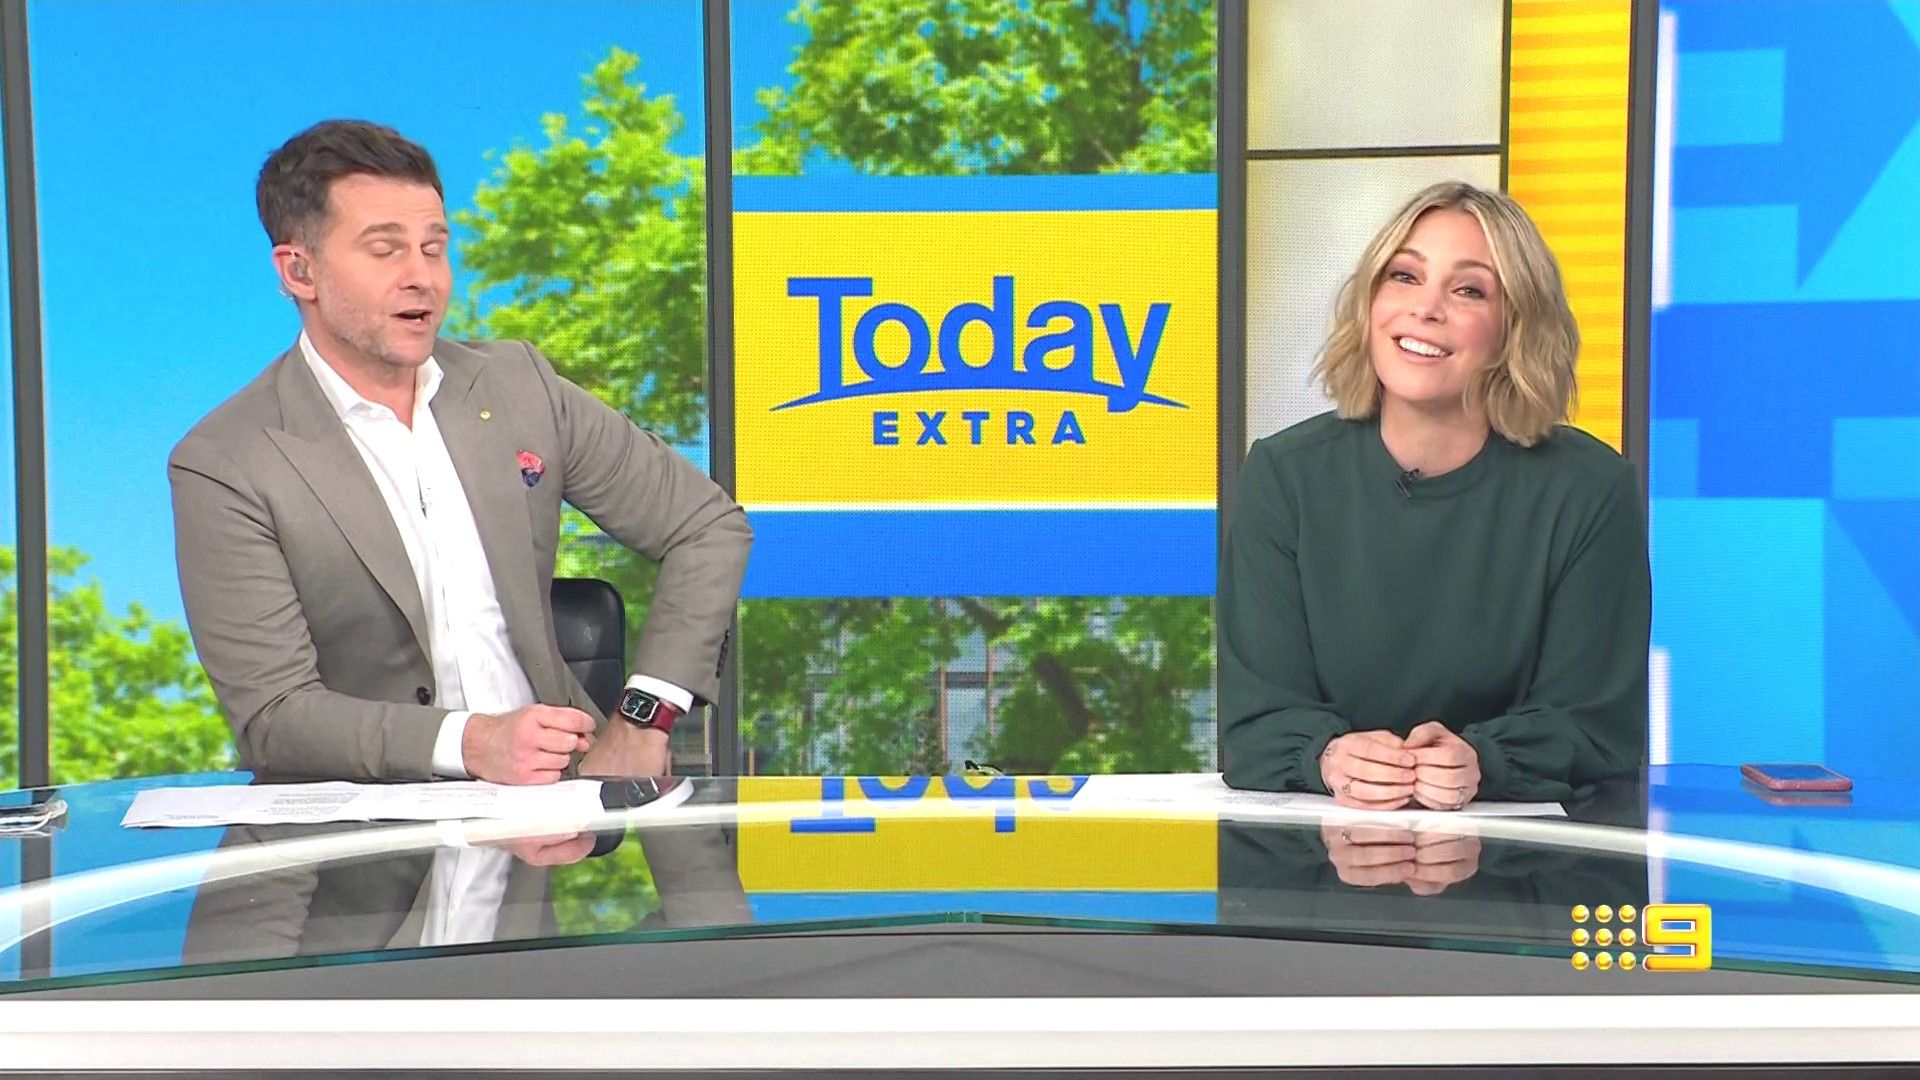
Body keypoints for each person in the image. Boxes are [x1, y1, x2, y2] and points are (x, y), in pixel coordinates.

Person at [171, 119, 750, 784]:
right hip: (363, 827)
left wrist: (645, 718)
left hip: (560, 810)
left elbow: (705, 526)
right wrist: (471, 743)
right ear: (299, 271)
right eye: (385, 250)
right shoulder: (226, 462)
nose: (422, 278)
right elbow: (274, 716)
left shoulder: (518, 386)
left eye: (434, 247)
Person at [1219, 180, 1649, 809]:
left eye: (1468, 290)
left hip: (1521, 857)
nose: (1426, 308)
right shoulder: (1283, 476)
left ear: (1515, 327)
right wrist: (1330, 757)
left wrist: (1484, 762)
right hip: (1320, 851)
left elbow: (1597, 728)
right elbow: (1255, 728)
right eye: (1405, 276)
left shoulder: (1591, 490)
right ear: (1370, 302)